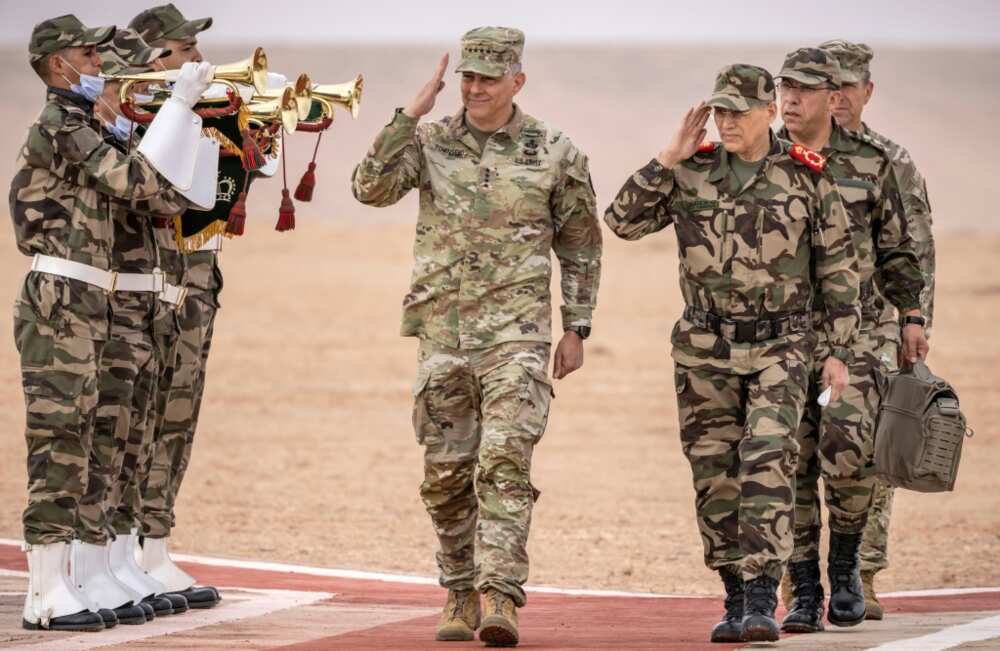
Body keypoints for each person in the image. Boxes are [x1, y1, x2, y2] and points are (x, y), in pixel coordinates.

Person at [352, 26, 602, 647]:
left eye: (490, 77)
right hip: (441, 334)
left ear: (517, 79)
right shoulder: (431, 141)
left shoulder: (554, 150)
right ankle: (459, 589)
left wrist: (576, 327)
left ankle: (500, 596)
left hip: (516, 336)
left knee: (504, 463)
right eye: (468, 76)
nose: (476, 87)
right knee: (446, 475)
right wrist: (408, 115)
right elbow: (369, 188)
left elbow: (580, 245)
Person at [603, 64, 860, 643]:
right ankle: (734, 595)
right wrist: (666, 157)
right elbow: (621, 221)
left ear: (769, 111)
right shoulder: (689, 172)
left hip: (781, 346)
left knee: (769, 459)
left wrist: (838, 351)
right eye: (720, 112)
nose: (727, 122)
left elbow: (839, 268)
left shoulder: (806, 175)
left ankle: (765, 594)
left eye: (739, 112)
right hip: (704, 350)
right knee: (714, 474)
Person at [12, 13, 213, 631]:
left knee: (108, 442)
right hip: (62, 298)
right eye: (88, 57)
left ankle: (95, 569)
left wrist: (200, 125)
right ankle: (45, 590)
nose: (100, 66)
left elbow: (180, 198)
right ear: (56, 66)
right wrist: (178, 107)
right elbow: (137, 180)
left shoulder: (96, 129)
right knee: (62, 441)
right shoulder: (61, 126)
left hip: (99, 299)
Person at [773, 47, 926, 633]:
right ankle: (806, 586)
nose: (791, 101)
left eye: (804, 90)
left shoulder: (870, 162)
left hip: (859, 333)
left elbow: (898, 249)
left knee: (850, 452)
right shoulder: (766, 158)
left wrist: (911, 313)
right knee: (789, 460)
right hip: (783, 334)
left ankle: (849, 565)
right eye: (784, 89)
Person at [129, 2, 222, 609]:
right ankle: (119, 547)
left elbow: (214, 195)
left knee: (178, 419)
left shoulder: (193, 114)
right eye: (186, 49)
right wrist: (179, 111)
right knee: (136, 419)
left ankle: (154, 544)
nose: (199, 58)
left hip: (196, 284)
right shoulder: (135, 118)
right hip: (151, 286)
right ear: (157, 56)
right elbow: (148, 183)